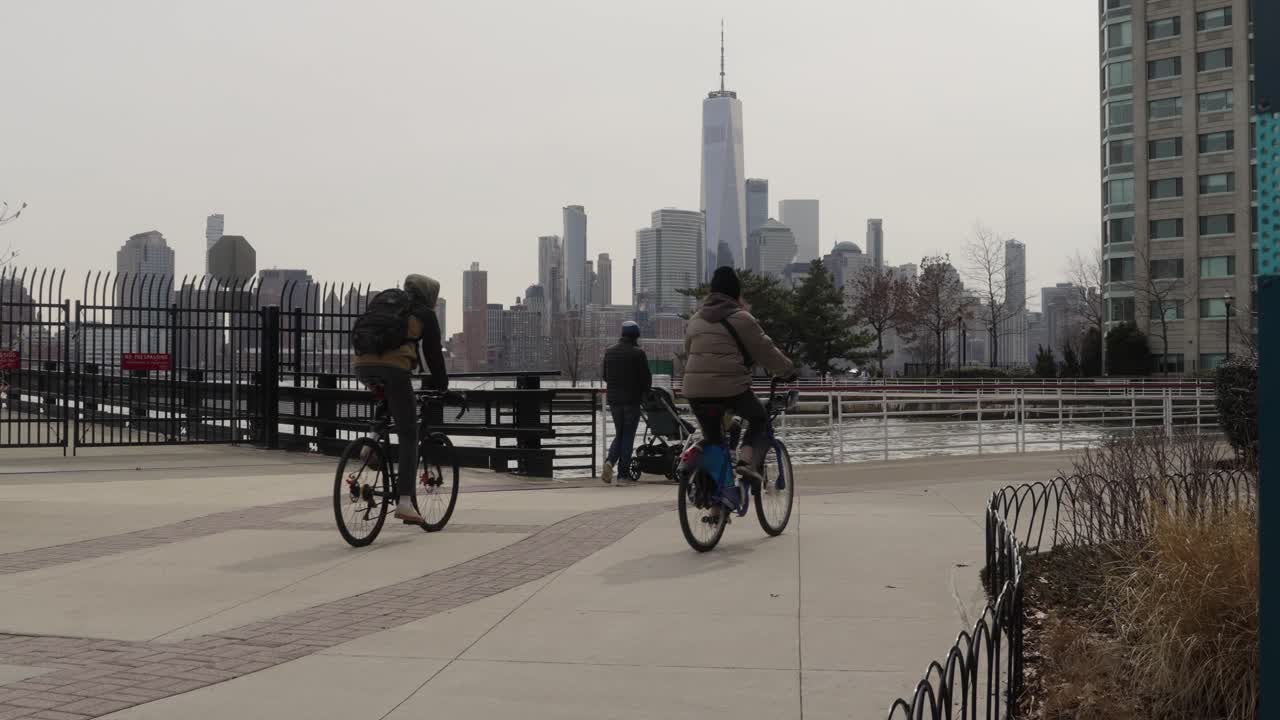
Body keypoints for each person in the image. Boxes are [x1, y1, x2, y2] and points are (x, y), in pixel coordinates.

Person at [683, 266, 795, 508]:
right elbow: (766, 351)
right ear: (736, 293)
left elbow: (688, 350)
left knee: (714, 440)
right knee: (758, 418)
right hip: (730, 389)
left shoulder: (695, 319)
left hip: (694, 391)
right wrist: (787, 370)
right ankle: (745, 462)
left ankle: (717, 504)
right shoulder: (742, 318)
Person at [352, 274, 448, 523]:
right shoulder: (424, 313)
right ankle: (405, 502)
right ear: (429, 295)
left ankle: (371, 441)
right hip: (394, 369)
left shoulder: (390, 305)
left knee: (387, 398)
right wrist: (443, 386)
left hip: (362, 365)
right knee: (408, 434)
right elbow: (433, 354)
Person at [601, 320, 651, 484]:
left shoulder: (609, 352)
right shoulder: (638, 353)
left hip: (614, 401)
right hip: (631, 400)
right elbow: (646, 379)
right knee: (628, 435)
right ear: (636, 335)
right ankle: (623, 474)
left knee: (620, 433)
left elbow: (605, 376)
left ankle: (609, 462)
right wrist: (645, 393)